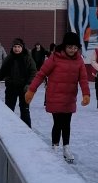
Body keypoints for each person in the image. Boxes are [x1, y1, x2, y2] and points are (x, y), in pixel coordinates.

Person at [25, 31, 90, 162]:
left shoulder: (79, 60)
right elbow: (41, 74)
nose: (72, 50)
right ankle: (55, 146)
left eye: (75, 47)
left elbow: (83, 79)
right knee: (58, 122)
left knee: (67, 123)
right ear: (65, 46)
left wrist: (86, 94)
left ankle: (66, 147)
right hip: (55, 95)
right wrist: (31, 90)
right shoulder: (54, 58)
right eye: (70, 47)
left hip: (69, 97)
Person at [0, 37, 36, 127]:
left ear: (22, 48)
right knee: (8, 109)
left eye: (19, 47)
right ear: (12, 48)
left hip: (24, 88)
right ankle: (8, 127)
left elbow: (33, 72)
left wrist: (29, 84)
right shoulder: (9, 58)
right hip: (11, 87)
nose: (17, 49)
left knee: (25, 110)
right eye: (15, 47)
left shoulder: (28, 58)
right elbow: (2, 72)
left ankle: (27, 129)